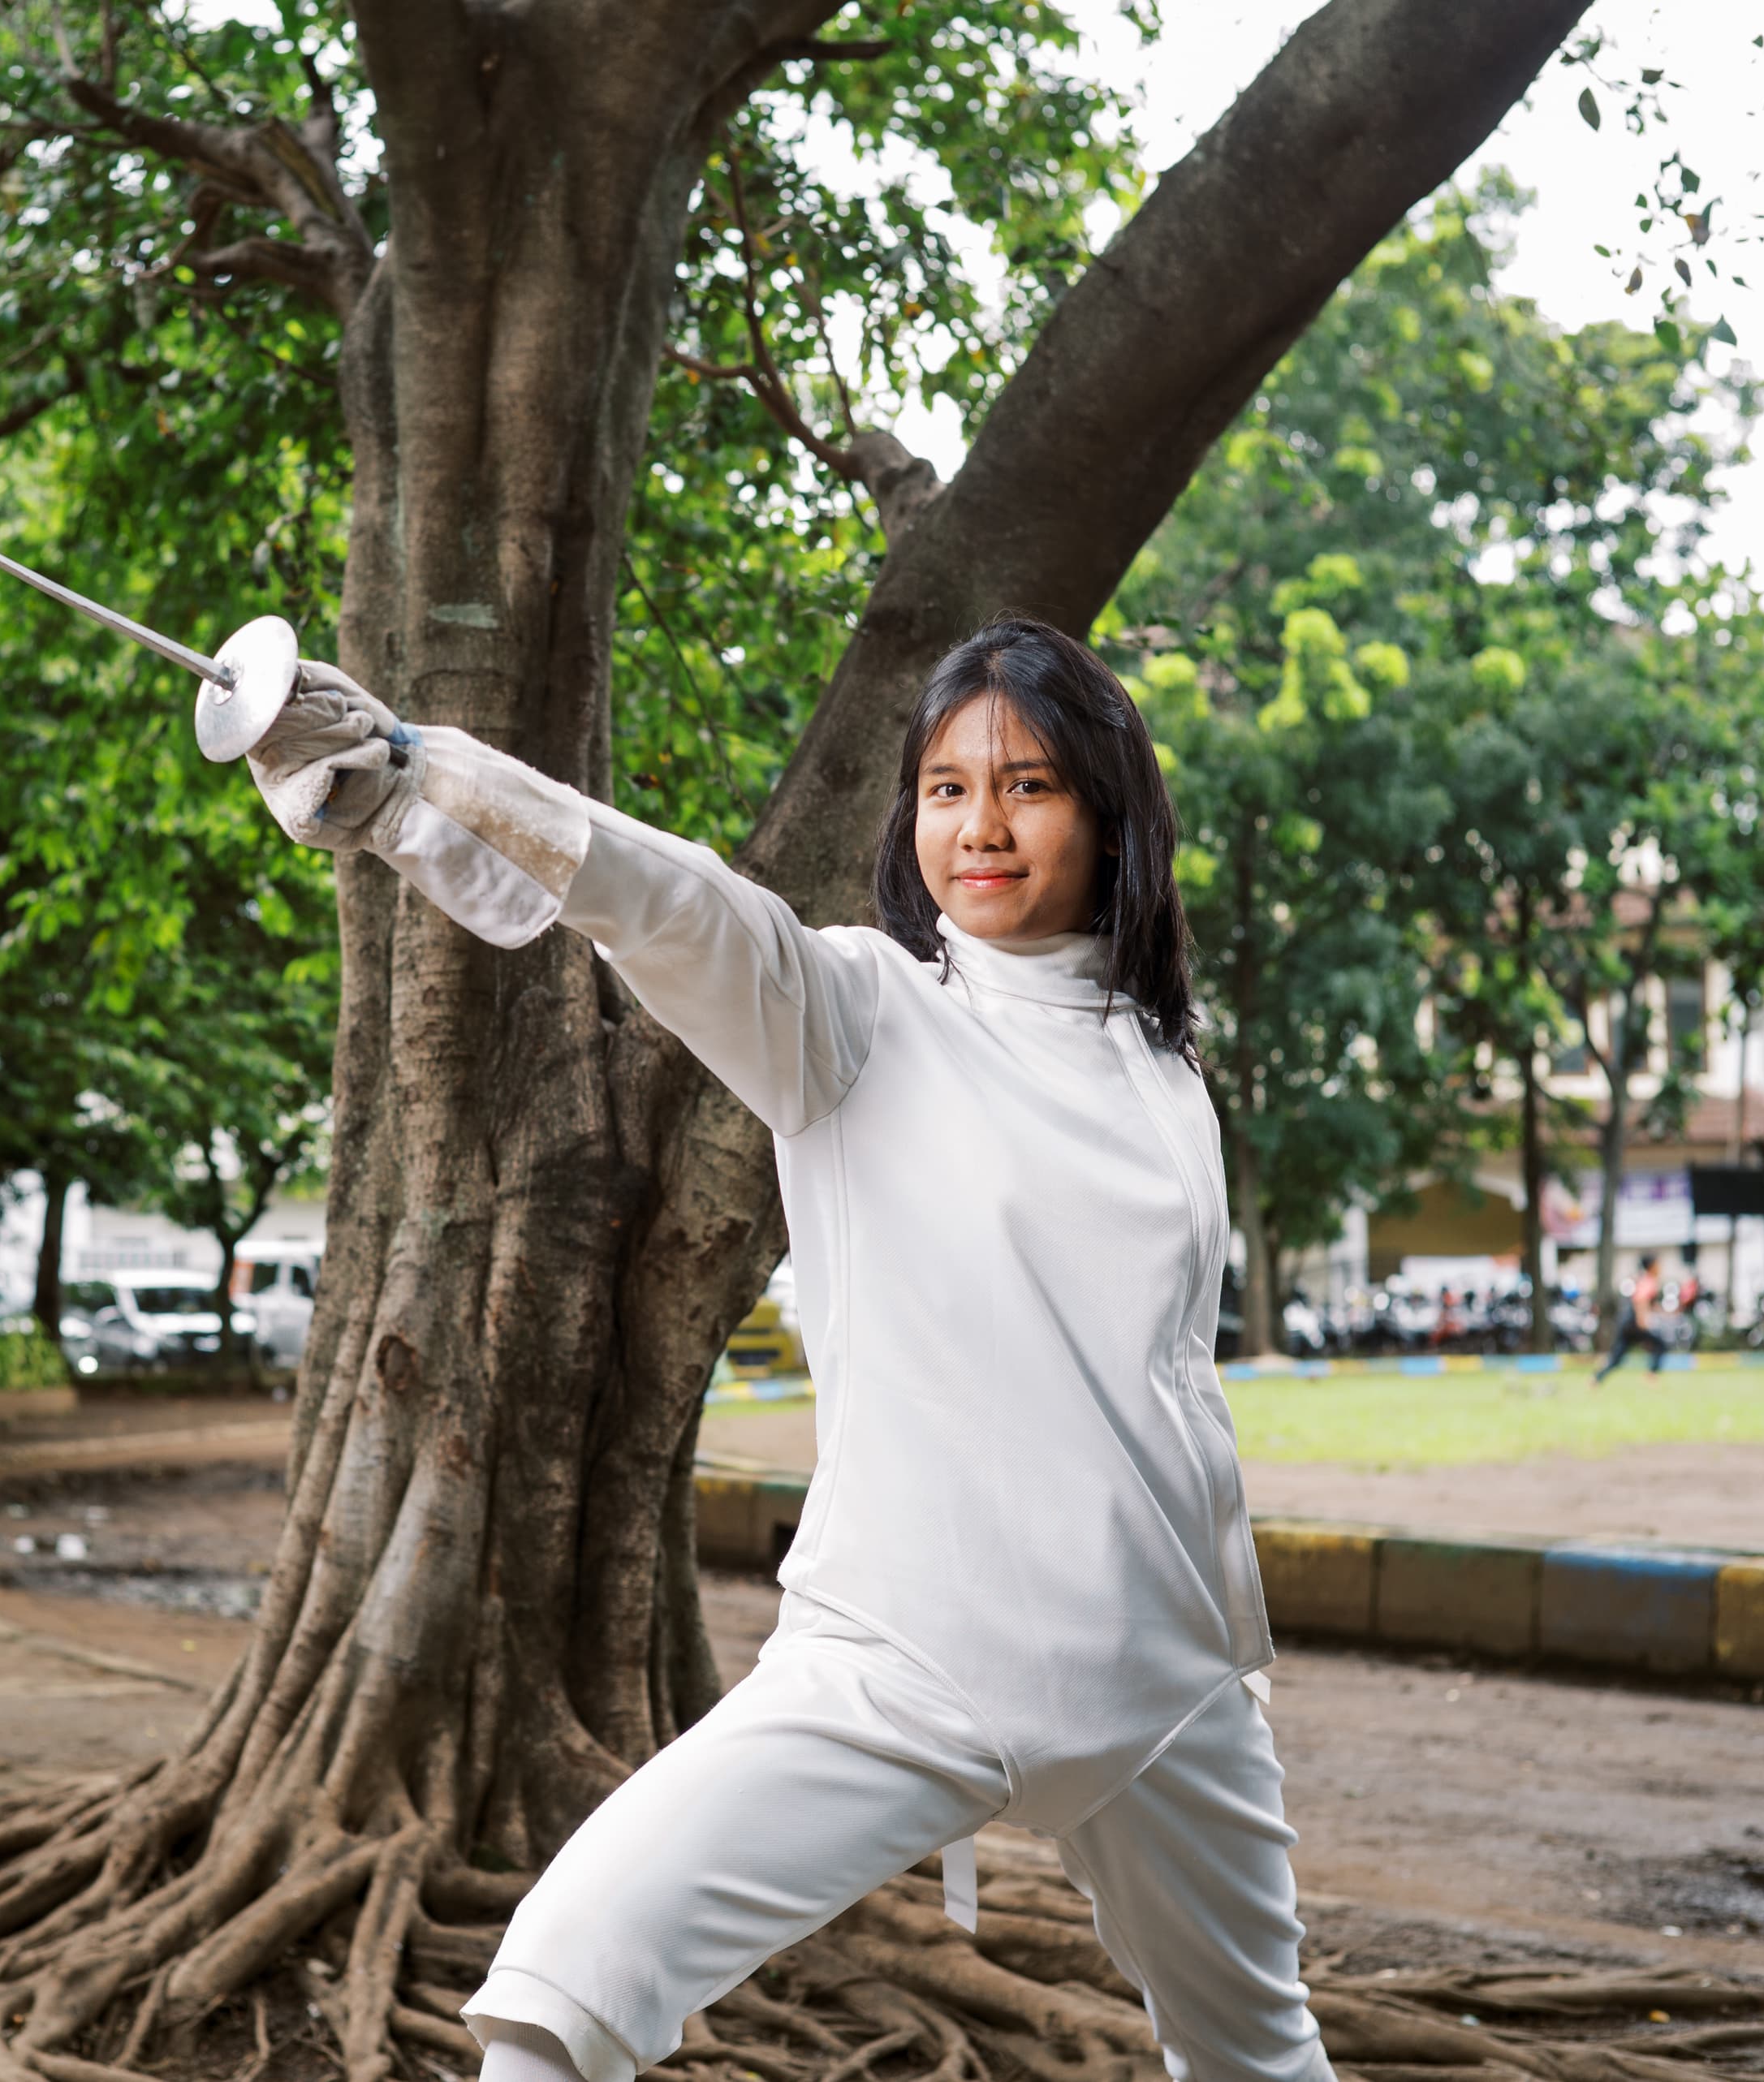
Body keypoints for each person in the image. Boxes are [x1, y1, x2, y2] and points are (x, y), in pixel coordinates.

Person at [233, 619, 1329, 2082]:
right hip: (911, 1652)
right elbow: (673, 903)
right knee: (570, 1979)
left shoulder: (1162, 1059)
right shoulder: (862, 1015)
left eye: (1031, 786)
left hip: (1168, 1669)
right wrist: (414, 775)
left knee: (1262, 2060)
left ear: (1110, 815)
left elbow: (1165, 1383)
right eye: (946, 789)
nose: (982, 827)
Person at [1590, 1256, 1669, 1382]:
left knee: (1618, 1355)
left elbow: (1649, 1303)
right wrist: (1642, 1321)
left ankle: (1596, 1379)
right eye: (1657, 1264)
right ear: (1652, 1266)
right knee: (1661, 1344)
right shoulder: (1649, 1281)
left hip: (1626, 1323)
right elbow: (1641, 1301)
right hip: (1634, 1323)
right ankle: (1652, 1374)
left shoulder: (1643, 1280)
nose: (1660, 1268)